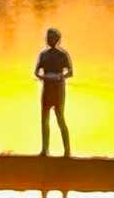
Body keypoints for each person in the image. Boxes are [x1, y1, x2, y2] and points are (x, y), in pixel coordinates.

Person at [34, 27, 73, 157]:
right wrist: (42, 77)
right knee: (44, 119)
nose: (50, 40)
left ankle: (67, 150)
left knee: (60, 118)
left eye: (52, 38)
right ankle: (45, 149)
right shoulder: (43, 55)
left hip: (58, 89)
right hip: (47, 89)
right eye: (48, 37)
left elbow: (70, 72)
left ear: (57, 40)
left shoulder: (63, 55)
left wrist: (61, 77)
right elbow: (36, 72)